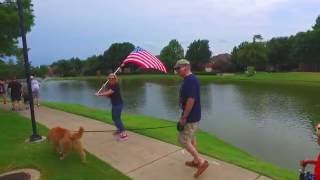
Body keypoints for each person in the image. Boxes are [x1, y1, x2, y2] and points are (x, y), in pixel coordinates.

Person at [174, 59, 209, 178]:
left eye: (178, 68)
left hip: (191, 116)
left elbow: (191, 100)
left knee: (183, 140)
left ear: (186, 67)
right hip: (192, 115)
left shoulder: (191, 81)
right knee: (192, 137)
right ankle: (195, 161)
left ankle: (201, 161)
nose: (177, 71)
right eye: (176, 69)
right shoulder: (188, 80)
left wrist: (184, 117)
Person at [96, 73, 128, 141]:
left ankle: (124, 134)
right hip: (114, 104)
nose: (111, 79)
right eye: (110, 78)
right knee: (114, 118)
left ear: (115, 79)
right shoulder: (110, 85)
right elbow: (107, 96)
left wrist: (99, 94)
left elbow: (109, 92)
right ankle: (119, 130)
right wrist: (104, 87)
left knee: (117, 119)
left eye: (112, 78)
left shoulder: (116, 85)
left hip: (118, 104)